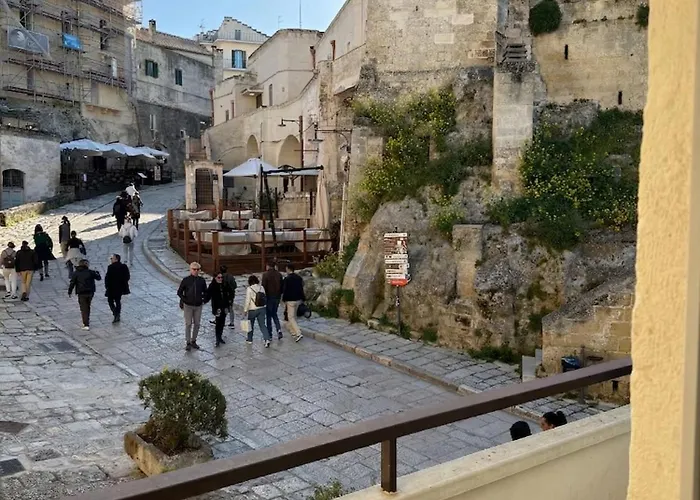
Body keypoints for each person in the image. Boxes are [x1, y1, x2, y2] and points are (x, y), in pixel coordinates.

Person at [177, 261, 210, 351]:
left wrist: (203, 300)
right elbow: (179, 292)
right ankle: (188, 342)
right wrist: (185, 300)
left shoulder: (201, 280)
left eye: (197, 269)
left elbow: (206, 292)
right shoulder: (186, 280)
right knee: (188, 324)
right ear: (190, 270)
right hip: (188, 305)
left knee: (197, 324)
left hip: (198, 305)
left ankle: (194, 340)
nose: (196, 271)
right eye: (194, 269)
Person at [68, 259, 101, 331]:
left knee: (84, 308)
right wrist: (97, 272)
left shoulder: (76, 273)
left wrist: (70, 291)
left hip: (81, 292)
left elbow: (72, 283)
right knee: (87, 306)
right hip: (90, 292)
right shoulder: (91, 272)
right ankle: (86, 320)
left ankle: (86, 323)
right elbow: (99, 278)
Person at [244, 275, 271, 347]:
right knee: (262, 325)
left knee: (250, 325)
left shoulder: (249, 289)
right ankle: (267, 339)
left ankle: (249, 339)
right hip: (262, 308)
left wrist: (245, 310)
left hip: (252, 309)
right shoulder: (261, 287)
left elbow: (247, 300)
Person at [281, 263, 305, 342]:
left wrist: (284, 299)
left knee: (290, 317)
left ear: (288, 269)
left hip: (290, 300)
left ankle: (298, 333)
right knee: (294, 316)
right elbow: (301, 288)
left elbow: (285, 290)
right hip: (298, 299)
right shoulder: (299, 278)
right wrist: (303, 298)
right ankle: (293, 332)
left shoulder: (287, 279)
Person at [208, 271, 232, 347]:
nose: (220, 279)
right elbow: (208, 295)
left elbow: (229, 293)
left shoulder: (225, 284)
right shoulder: (212, 286)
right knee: (218, 323)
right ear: (215, 278)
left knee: (222, 323)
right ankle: (217, 339)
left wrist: (229, 304)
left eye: (221, 277)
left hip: (224, 307)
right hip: (217, 308)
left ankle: (220, 337)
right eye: (219, 277)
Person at [105, 254, 130, 324]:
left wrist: (107, 285)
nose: (111, 259)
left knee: (110, 301)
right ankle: (117, 313)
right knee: (118, 301)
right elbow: (127, 276)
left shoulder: (110, 267)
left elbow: (108, 277)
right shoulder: (124, 266)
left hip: (112, 287)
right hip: (120, 287)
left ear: (116, 259)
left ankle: (115, 313)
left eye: (112, 258)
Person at [262, 261, 284, 339]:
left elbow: (263, 287)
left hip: (269, 297)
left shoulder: (265, 275)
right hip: (277, 297)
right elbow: (282, 287)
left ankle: (270, 333)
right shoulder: (279, 274)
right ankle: (279, 329)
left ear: (268, 266)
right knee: (274, 314)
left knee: (268, 315)